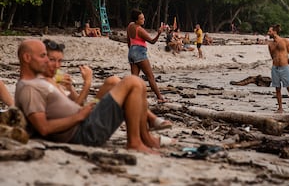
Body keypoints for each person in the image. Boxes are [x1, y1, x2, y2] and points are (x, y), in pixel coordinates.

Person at [15, 39, 168, 154]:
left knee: (136, 84)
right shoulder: (30, 88)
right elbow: (43, 128)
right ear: (27, 58)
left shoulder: (36, 83)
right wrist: (79, 116)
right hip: (83, 132)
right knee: (132, 82)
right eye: (43, 56)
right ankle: (135, 142)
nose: (48, 61)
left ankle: (145, 138)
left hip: (85, 123)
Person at [41, 39, 172, 130]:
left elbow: (77, 103)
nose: (57, 66)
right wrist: (87, 83)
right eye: (52, 60)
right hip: (82, 119)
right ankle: (148, 122)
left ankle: (150, 119)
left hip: (83, 110)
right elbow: (76, 111)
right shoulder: (45, 84)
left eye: (59, 61)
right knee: (129, 83)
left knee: (114, 80)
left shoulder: (54, 77)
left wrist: (70, 88)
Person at [127, 9, 167, 103]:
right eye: (141, 19)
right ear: (136, 20)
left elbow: (128, 41)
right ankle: (160, 97)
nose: (143, 20)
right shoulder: (140, 30)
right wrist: (159, 33)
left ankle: (132, 97)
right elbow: (152, 41)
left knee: (134, 78)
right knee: (150, 76)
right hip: (139, 52)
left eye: (143, 18)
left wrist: (131, 52)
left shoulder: (130, 26)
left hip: (131, 52)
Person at [267, 24, 289, 113]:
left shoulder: (285, 41)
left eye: (270, 31)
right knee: (277, 88)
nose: (268, 33)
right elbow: (272, 56)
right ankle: (280, 108)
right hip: (275, 68)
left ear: (275, 32)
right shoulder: (270, 44)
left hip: (284, 67)